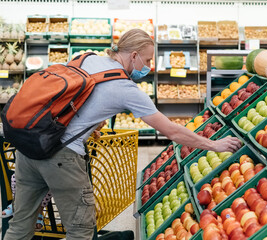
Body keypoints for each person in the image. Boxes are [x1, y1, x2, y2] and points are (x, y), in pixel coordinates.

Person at [4, 29, 242, 240]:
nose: (148, 66)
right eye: (147, 59)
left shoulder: (86, 57)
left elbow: (72, 99)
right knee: (80, 230)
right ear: (134, 55)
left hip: (31, 145)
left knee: (20, 225)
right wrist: (215, 145)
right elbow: (171, 130)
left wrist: (91, 126)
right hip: (61, 158)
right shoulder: (126, 89)